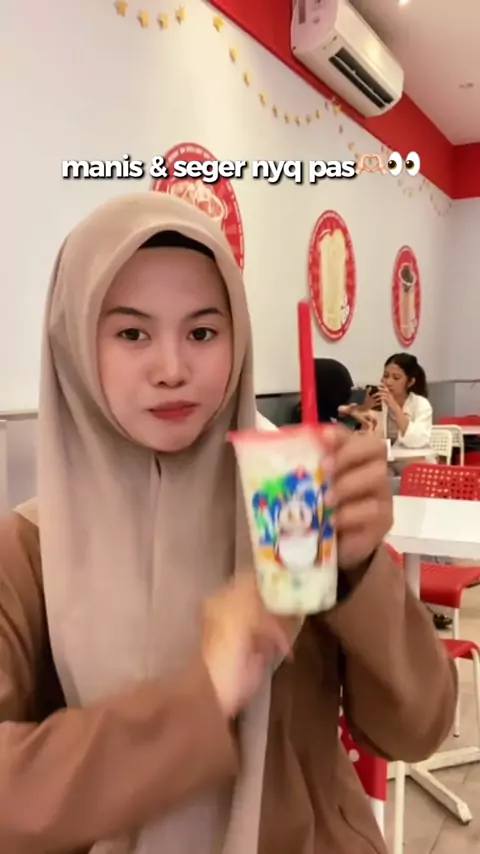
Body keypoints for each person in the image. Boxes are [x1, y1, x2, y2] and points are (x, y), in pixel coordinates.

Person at [0, 193, 456, 854]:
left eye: (202, 333)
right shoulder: (31, 552)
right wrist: (204, 693)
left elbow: (417, 729)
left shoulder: (287, 502)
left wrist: (360, 575)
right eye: (131, 334)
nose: (171, 370)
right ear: (72, 343)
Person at [377, 353, 433, 450]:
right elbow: (372, 439)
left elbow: (417, 441)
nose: (388, 382)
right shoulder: (378, 402)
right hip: (387, 456)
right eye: (386, 376)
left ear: (410, 382)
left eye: (396, 378)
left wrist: (395, 407)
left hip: (414, 455)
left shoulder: (421, 404)